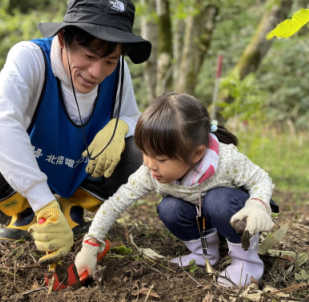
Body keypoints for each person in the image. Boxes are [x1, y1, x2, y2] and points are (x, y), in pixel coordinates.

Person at [0, 0, 151, 266]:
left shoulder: (118, 73)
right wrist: (43, 202)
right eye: (89, 56)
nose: (97, 72)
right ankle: (26, 214)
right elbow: (1, 123)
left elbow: (131, 115)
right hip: (28, 173)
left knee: (141, 150)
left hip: (80, 171)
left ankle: (73, 210)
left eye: (109, 61)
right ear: (63, 37)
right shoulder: (31, 58)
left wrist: (122, 126)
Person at [75, 92, 279, 287]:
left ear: (197, 153)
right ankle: (204, 254)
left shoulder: (226, 161)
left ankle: (247, 261)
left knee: (216, 200)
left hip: (234, 214)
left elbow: (261, 179)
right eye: (145, 153)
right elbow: (115, 203)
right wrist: (91, 243)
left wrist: (257, 206)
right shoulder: (149, 171)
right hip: (203, 218)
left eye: (161, 159)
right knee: (169, 207)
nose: (149, 164)